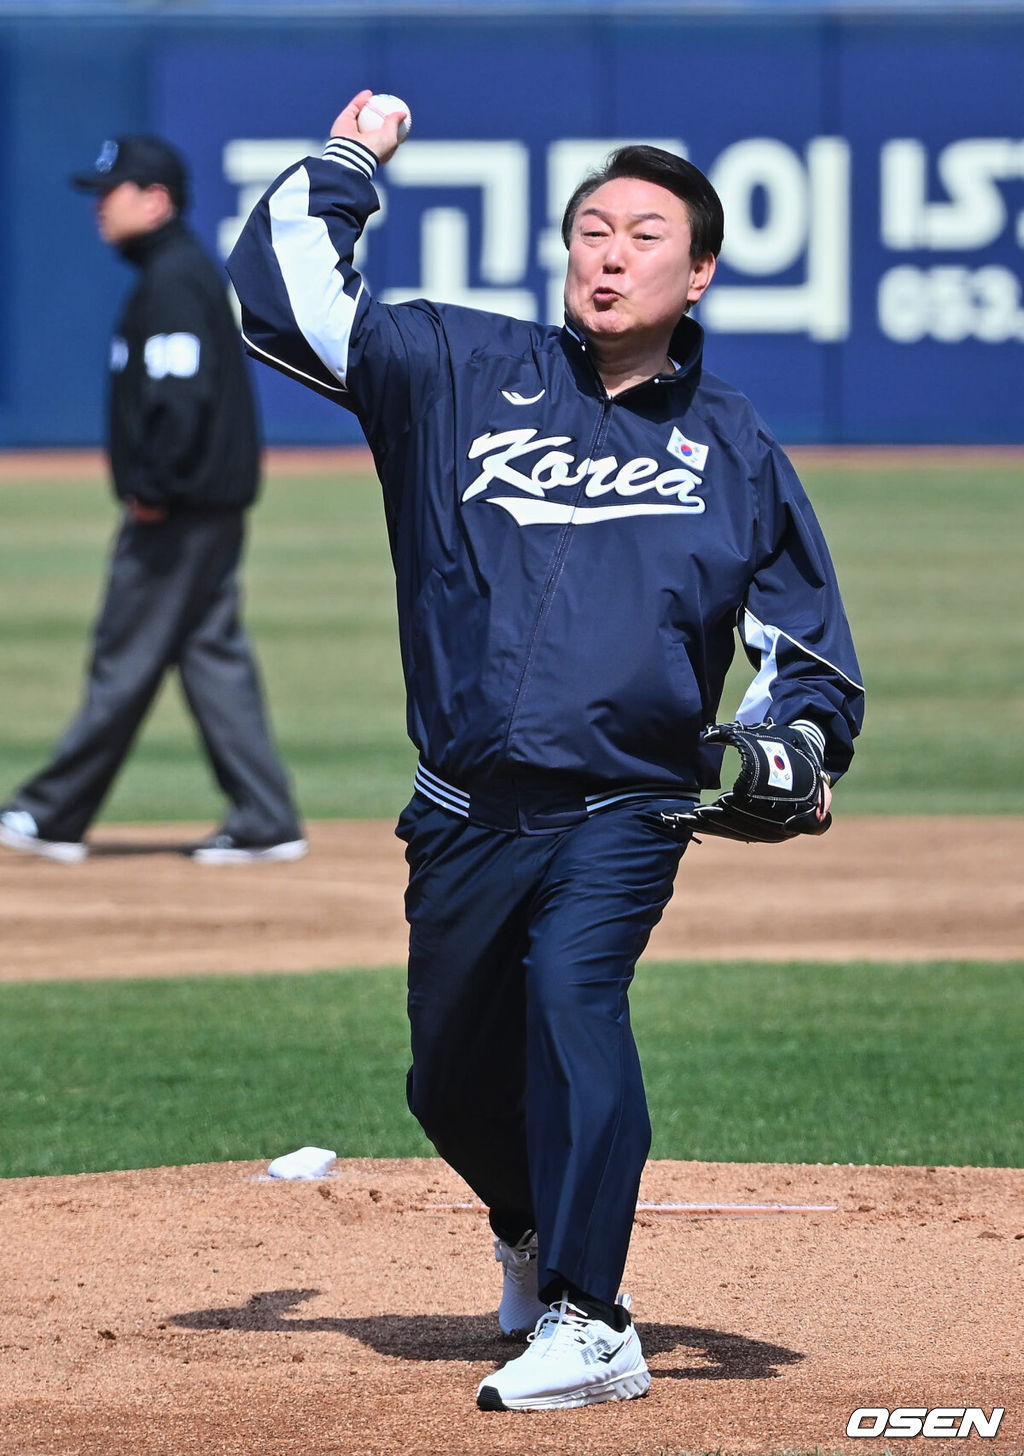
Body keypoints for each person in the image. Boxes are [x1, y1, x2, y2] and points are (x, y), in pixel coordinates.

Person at [226, 93, 864, 1410]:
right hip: (460, 806)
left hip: (626, 805)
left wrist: (793, 747)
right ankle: (525, 1223)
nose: (609, 253)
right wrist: (349, 163)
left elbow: (806, 653)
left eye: (643, 234)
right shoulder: (453, 370)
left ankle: (591, 1316)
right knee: (448, 1079)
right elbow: (279, 298)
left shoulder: (731, 447)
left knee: (578, 1001)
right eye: (590, 230)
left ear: (698, 273)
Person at [0, 135, 306, 866]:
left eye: (114, 192)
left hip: (179, 510)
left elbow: (180, 398)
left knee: (125, 655)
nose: (100, 207)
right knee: (209, 654)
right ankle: (266, 818)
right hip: (205, 506)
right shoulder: (174, 273)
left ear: (157, 199)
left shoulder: (171, 280)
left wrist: (154, 491)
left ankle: (50, 812)